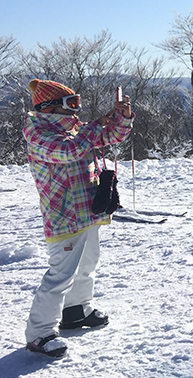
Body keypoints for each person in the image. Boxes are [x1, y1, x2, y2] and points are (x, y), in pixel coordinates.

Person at [23, 79, 134, 358]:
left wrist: (122, 117)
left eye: (77, 103)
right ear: (49, 108)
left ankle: (76, 310)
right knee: (61, 274)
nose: (76, 111)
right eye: (70, 104)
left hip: (87, 209)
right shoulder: (38, 133)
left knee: (88, 262)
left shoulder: (75, 129)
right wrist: (96, 126)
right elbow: (68, 150)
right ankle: (40, 333)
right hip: (63, 214)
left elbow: (112, 137)